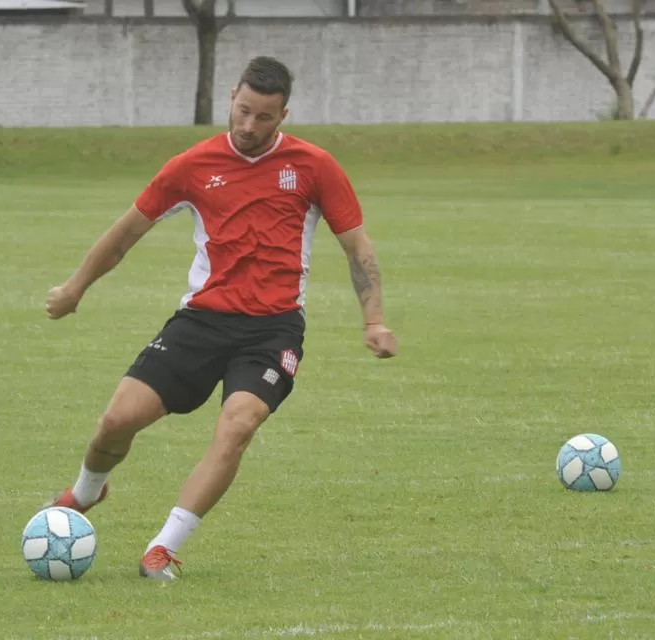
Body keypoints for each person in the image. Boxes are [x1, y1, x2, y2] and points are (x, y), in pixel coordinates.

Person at [43, 56, 398, 581]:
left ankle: (162, 548)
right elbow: (125, 233)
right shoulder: (192, 165)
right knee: (117, 421)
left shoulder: (314, 166)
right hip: (201, 321)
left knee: (237, 425)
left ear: (284, 116)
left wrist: (373, 320)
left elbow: (357, 248)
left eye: (264, 118)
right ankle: (87, 491)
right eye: (243, 111)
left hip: (274, 329)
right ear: (231, 97)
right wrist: (75, 288)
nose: (249, 127)